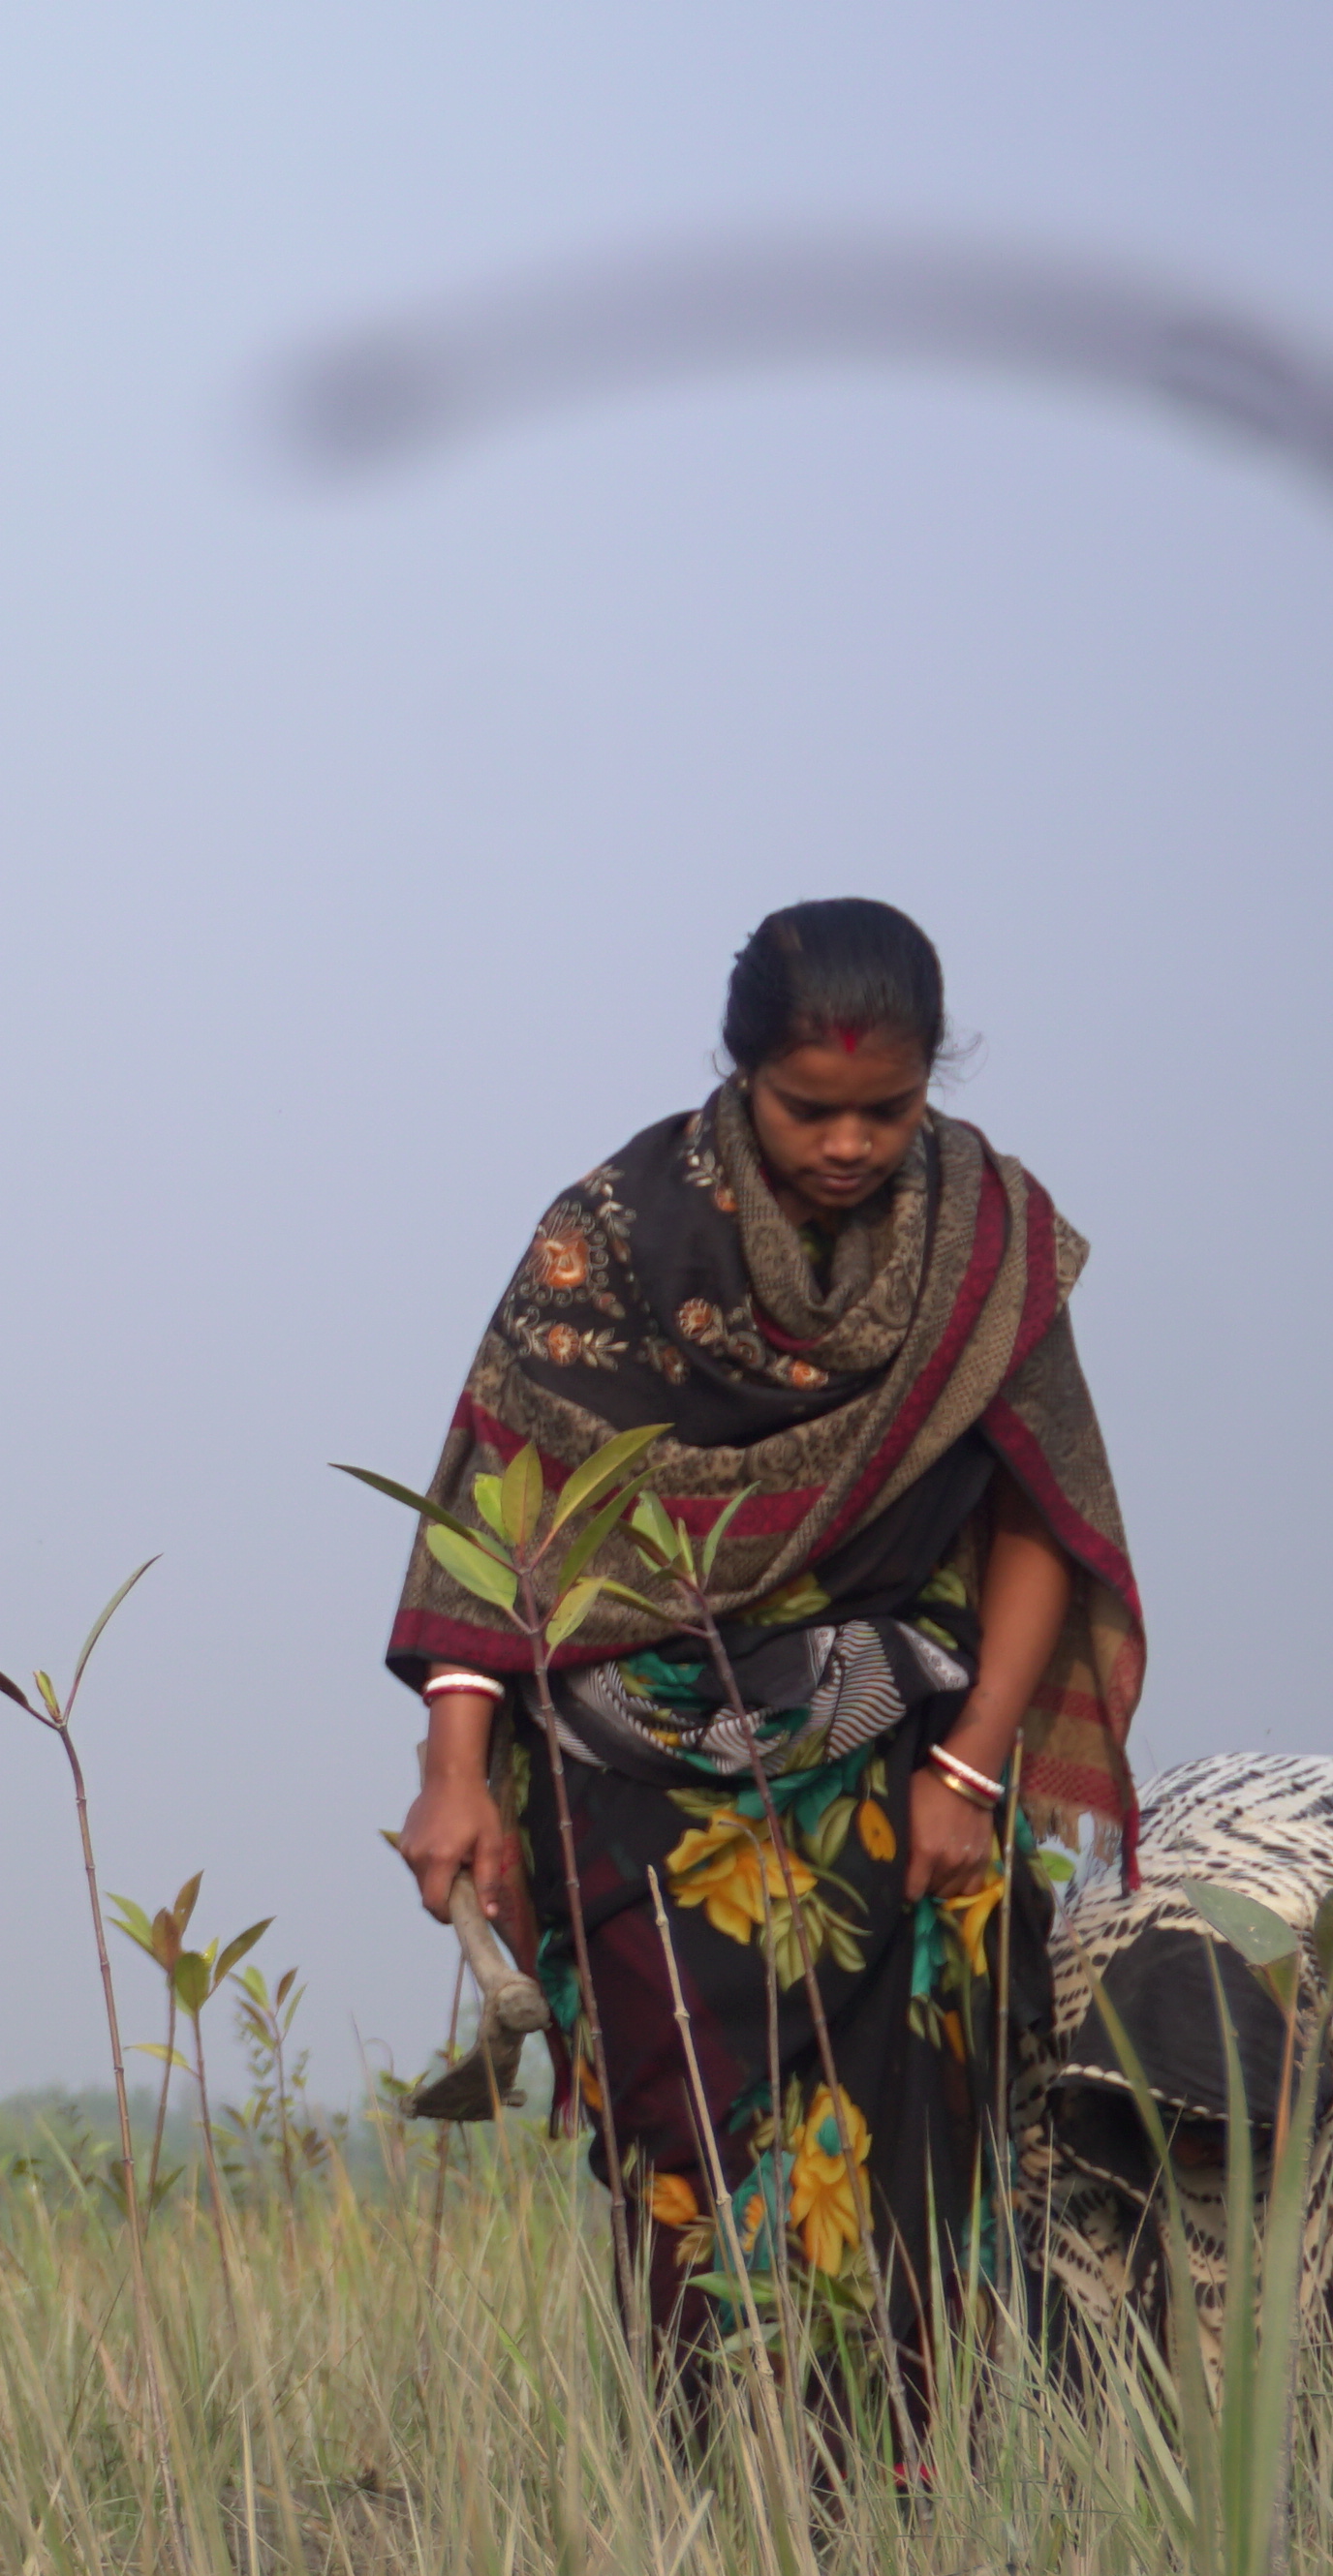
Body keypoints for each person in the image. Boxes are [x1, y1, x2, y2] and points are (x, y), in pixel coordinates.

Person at [384, 897, 1143, 2451]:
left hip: (901, 1775)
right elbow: (493, 1519)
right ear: (741, 1079)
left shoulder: (981, 1244)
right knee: (685, 2164)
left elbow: (1041, 1515)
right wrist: (455, 1776)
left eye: (892, 1107)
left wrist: (972, 1768)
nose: (854, 1142)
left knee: (930, 2158)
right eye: (815, 1109)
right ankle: (730, 2518)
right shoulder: (605, 1241)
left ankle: (916, 2519)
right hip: (635, 1791)